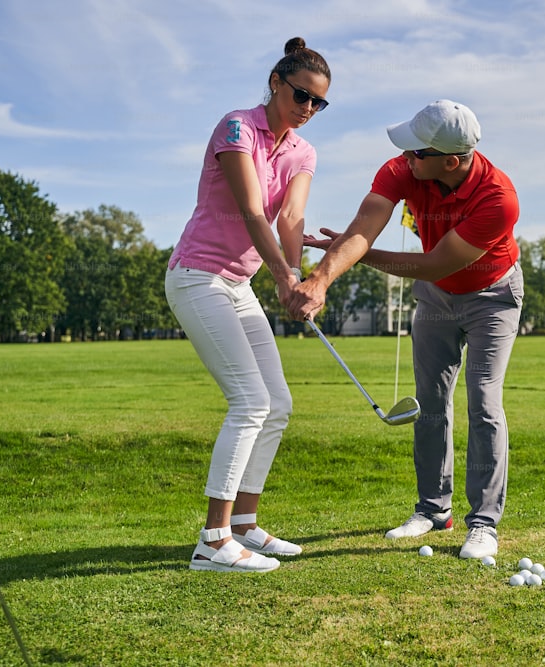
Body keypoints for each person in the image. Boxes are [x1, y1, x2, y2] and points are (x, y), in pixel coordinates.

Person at [289, 100, 522, 560]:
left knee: (483, 401)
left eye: (417, 153)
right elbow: (364, 227)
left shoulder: (499, 199)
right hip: (435, 298)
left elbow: (434, 264)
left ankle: (484, 523)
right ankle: (434, 509)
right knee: (430, 401)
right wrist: (320, 278)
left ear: (450, 161)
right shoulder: (404, 168)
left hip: (490, 297)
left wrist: (358, 254)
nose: (406, 158)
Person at [164, 37, 331, 572]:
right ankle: (212, 541)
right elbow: (254, 212)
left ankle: (244, 526)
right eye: (301, 95)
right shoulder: (236, 126)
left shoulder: (303, 151)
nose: (307, 109)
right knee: (249, 401)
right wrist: (284, 281)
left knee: (277, 404)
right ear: (277, 83)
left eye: (318, 103)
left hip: (237, 285)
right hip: (197, 277)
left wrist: (301, 281)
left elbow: (289, 222)